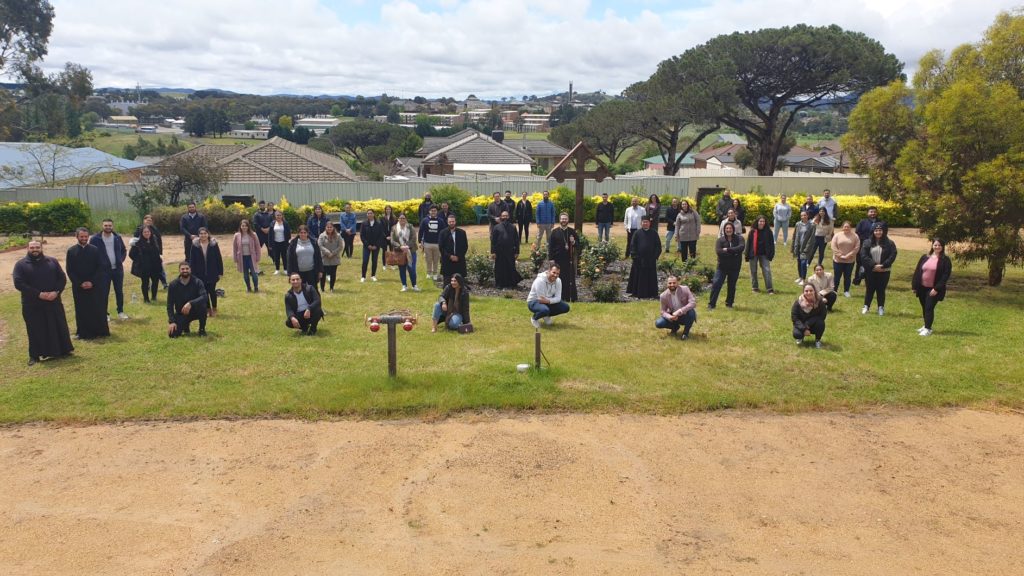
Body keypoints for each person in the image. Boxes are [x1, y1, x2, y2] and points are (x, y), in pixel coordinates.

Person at [13, 240, 73, 365]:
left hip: (53, 301)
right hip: (32, 304)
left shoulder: (52, 261)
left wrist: (56, 292)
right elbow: (19, 283)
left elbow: (61, 278)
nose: (35, 249)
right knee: (35, 329)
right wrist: (38, 294)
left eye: (37, 247)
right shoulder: (21, 264)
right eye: (32, 247)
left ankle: (63, 350)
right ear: (28, 248)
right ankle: (34, 356)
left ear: (41, 248)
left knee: (57, 326)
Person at [65, 227, 109, 340]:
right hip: (79, 287)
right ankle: (83, 333)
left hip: (95, 285)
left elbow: (100, 267)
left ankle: (100, 331)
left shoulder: (95, 250)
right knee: (81, 310)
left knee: (97, 308)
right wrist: (80, 283)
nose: (84, 238)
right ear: (77, 237)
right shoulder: (71, 251)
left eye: (86, 236)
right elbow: (70, 270)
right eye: (81, 237)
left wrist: (92, 282)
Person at [89, 218, 128, 321]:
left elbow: (124, 250)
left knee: (119, 291)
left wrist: (121, 260)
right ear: (102, 226)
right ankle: (105, 314)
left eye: (110, 225)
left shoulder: (117, 237)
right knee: (103, 293)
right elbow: (91, 254)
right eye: (106, 225)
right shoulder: (95, 239)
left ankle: (120, 312)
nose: (108, 227)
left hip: (117, 270)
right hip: (103, 271)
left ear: (112, 226)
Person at [911, 239, 952, 337]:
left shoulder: (945, 260)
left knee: (929, 307)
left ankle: (928, 329)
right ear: (932, 246)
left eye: (939, 245)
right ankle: (926, 325)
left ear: (942, 247)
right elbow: (917, 271)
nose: (937, 247)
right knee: (924, 307)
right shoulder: (925, 257)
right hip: (922, 287)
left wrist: (936, 289)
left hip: (933, 289)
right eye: (935, 245)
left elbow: (945, 276)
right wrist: (914, 285)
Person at [859, 223, 897, 316]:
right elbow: (864, 255)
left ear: (883, 231)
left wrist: (883, 265)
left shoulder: (890, 243)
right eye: (876, 230)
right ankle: (866, 306)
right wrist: (874, 265)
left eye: (880, 230)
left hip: (884, 271)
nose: (878, 232)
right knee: (869, 289)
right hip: (871, 270)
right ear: (873, 232)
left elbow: (892, 255)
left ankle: (881, 307)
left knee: (881, 290)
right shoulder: (867, 242)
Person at [707, 221, 743, 310]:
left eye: (730, 228)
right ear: (724, 230)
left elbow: (741, 248)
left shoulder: (739, 239)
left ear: (733, 229)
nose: (728, 230)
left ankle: (729, 304)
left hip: (735, 267)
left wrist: (727, 250)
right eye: (727, 228)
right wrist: (734, 253)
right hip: (722, 267)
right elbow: (719, 252)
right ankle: (711, 304)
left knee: (731, 285)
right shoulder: (720, 240)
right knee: (716, 284)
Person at [167, 261, 207, 337]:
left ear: (190, 270)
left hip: (196, 311)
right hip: (182, 312)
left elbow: (204, 296)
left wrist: (190, 303)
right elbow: (170, 304)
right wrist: (172, 321)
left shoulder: (197, 282)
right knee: (172, 335)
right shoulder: (173, 285)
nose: (185, 271)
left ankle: (202, 329)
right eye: (182, 269)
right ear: (179, 270)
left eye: (187, 269)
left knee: (203, 306)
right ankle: (185, 326)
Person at [189, 227, 224, 317]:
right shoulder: (195, 245)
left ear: (208, 234)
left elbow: (218, 258)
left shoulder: (213, 244)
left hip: (212, 272)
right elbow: (192, 260)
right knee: (204, 292)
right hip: (200, 273)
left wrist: (220, 272)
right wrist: (192, 273)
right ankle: (208, 309)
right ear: (198, 235)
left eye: (205, 233)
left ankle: (215, 308)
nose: (203, 235)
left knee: (212, 291)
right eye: (201, 234)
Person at [626, 215, 662, 299]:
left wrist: (655, 256)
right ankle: (636, 292)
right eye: (643, 222)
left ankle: (651, 293)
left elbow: (658, 246)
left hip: (650, 260)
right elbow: (632, 246)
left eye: (647, 222)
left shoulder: (654, 233)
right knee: (638, 276)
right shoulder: (637, 233)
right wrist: (635, 256)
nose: (645, 223)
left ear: (650, 223)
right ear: (641, 223)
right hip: (639, 260)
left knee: (650, 277)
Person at [527, 263, 570, 328]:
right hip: (534, 301)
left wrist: (549, 301)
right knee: (544, 310)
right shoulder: (540, 280)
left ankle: (546, 315)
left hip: (547, 300)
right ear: (549, 270)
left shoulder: (558, 281)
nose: (555, 275)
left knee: (565, 307)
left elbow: (558, 298)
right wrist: (551, 300)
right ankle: (534, 319)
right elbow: (540, 299)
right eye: (554, 272)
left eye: (557, 273)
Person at [548, 212, 579, 302]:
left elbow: (578, 244)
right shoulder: (554, 232)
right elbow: (550, 246)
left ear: (568, 220)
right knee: (558, 279)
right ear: (559, 220)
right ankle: (558, 297)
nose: (564, 220)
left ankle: (570, 297)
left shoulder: (572, 231)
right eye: (562, 219)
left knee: (569, 279)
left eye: (565, 219)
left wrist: (573, 242)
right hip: (557, 260)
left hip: (569, 260)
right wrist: (551, 259)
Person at [129, 225, 163, 303]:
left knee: (155, 281)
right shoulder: (137, 243)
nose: (147, 233)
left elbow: (157, 252)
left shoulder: (154, 240)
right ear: (141, 233)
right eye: (145, 232)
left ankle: (154, 297)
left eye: (148, 232)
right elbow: (131, 254)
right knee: (145, 283)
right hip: (144, 267)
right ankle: (146, 299)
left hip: (155, 266)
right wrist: (139, 261)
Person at [656, 275, 697, 340]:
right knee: (659, 323)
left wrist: (680, 310)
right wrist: (670, 317)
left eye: (674, 283)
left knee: (692, 312)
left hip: (685, 314)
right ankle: (675, 327)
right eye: (670, 283)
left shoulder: (685, 289)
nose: (672, 285)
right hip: (673, 316)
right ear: (667, 284)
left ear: (677, 283)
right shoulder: (663, 296)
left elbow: (693, 303)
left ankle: (685, 334)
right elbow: (663, 311)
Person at [853, 206, 887, 286]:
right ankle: (857, 279)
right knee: (860, 263)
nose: (873, 213)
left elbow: (884, 234)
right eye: (871, 212)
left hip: (876, 246)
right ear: (868, 213)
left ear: (877, 213)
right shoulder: (862, 222)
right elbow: (857, 233)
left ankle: (870, 280)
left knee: (873, 262)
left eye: (874, 212)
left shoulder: (882, 223)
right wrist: (867, 241)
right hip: (863, 246)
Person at [133, 214, 167, 288]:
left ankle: (164, 283)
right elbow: (135, 239)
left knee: (160, 269)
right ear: (144, 221)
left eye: (150, 220)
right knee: (146, 272)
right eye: (147, 220)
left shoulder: (154, 229)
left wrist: (160, 252)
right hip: (144, 255)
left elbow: (159, 241)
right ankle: (147, 285)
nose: (149, 222)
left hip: (155, 254)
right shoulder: (139, 229)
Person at [491, 210, 523, 289]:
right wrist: (493, 252)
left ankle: (511, 284)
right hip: (499, 252)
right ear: (501, 217)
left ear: (508, 217)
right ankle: (499, 284)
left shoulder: (513, 227)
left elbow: (516, 240)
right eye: (503, 216)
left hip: (510, 251)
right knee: (499, 268)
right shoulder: (496, 227)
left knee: (510, 267)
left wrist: (517, 252)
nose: (505, 217)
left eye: (506, 216)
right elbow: (493, 241)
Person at [287, 224, 323, 291]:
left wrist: (320, 271)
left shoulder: (314, 242)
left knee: (313, 291)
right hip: (298, 272)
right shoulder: (293, 244)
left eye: (304, 233)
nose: (303, 234)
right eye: (301, 233)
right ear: (298, 233)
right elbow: (289, 259)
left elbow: (318, 257)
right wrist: (290, 274)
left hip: (312, 272)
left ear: (307, 233)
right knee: (300, 291)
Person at [390, 213, 420, 292]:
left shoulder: (410, 226)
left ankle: (414, 285)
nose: (402, 220)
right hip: (399, 252)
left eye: (403, 218)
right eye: (400, 218)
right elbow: (392, 240)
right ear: (398, 219)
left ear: (406, 219)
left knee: (412, 269)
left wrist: (407, 246)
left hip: (411, 251)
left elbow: (414, 238)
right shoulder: (394, 228)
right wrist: (400, 247)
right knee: (402, 269)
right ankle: (404, 285)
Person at [745, 215, 775, 294]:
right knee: (753, 271)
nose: (762, 223)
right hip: (753, 254)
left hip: (764, 254)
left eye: (763, 221)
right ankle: (755, 288)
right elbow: (748, 243)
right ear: (757, 222)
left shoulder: (768, 232)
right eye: (760, 221)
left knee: (767, 271)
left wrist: (771, 254)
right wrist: (746, 254)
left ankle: (769, 289)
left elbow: (772, 244)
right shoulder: (752, 231)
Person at [792, 283, 828, 348]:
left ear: (814, 291)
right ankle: (800, 338)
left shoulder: (819, 302)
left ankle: (817, 340)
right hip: (801, 325)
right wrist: (804, 329)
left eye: (811, 290)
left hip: (814, 324)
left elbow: (822, 316)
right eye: (806, 291)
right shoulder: (798, 302)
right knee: (797, 334)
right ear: (803, 292)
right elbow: (795, 318)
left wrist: (808, 324)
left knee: (821, 323)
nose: (809, 293)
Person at [831, 220, 860, 297]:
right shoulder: (837, 235)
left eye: (848, 227)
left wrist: (848, 255)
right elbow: (833, 246)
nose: (846, 228)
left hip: (850, 261)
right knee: (837, 276)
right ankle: (835, 290)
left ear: (851, 228)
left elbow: (856, 248)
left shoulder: (855, 236)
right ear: (842, 227)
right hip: (838, 260)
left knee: (847, 276)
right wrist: (840, 255)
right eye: (845, 226)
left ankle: (846, 291)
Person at [439, 214, 468, 286]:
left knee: (460, 282)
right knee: (447, 283)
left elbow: (465, 246)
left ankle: (460, 296)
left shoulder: (462, 233)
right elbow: (441, 248)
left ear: (455, 222)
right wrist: (450, 256)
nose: (451, 223)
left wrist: (458, 256)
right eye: (450, 222)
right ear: (447, 222)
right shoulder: (442, 233)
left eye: (453, 221)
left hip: (459, 261)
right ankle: (447, 297)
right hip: (447, 261)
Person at [232, 219, 261, 293]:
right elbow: (235, 248)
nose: (244, 227)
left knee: (254, 273)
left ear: (248, 227)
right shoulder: (237, 235)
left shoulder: (253, 234)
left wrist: (258, 257)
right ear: (240, 227)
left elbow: (257, 246)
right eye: (242, 226)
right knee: (245, 274)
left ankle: (256, 287)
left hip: (251, 257)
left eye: (245, 226)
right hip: (242, 258)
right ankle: (248, 287)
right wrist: (235, 258)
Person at [360, 209, 386, 282]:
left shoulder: (378, 224)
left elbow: (381, 235)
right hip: (366, 246)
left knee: (374, 261)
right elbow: (362, 236)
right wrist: (367, 245)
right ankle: (363, 276)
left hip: (376, 246)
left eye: (371, 213)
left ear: (373, 214)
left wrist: (376, 245)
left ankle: (373, 275)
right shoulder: (364, 224)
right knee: (365, 261)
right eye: (368, 213)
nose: (369, 215)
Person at [791, 211, 816, 285]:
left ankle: (804, 279)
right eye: (802, 215)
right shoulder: (798, 224)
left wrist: (807, 248)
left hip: (806, 248)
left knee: (803, 262)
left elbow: (812, 238)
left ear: (807, 216)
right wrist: (793, 246)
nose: (803, 217)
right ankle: (800, 277)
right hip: (798, 246)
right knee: (799, 262)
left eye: (805, 215)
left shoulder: (812, 225)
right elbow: (795, 235)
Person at [419, 205, 443, 281]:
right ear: (429, 211)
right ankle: (429, 273)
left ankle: (435, 274)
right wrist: (420, 242)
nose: (433, 212)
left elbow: (444, 232)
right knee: (428, 259)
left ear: (437, 212)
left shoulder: (440, 221)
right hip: (427, 244)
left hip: (437, 244)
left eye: (435, 211)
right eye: (432, 211)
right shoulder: (425, 220)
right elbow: (421, 231)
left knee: (436, 260)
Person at [318, 221, 342, 292]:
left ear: (333, 228)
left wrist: (333, 253)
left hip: (334, 258)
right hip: (324, 258)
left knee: (333, 274)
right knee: (323, 274)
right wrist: (328, 253)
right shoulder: (322, 235)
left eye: (330, 227)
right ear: (325, 227)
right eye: (328, 227)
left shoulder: (338, 236)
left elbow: (340, 246)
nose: (329, 228)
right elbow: (320, 245)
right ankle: (322, 289)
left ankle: (332, 288)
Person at [268, 210, 291, 275]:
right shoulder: (272, 223)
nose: (279, 216)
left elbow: (288, 234)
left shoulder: (285, 223)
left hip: (284, 242)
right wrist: (270, 244)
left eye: (280, 215)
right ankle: (277, 269)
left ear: (282, 216)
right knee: (276, 257)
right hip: (275, 243)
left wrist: (289, 243)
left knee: (284, 257)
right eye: (277, 215)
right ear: (275, 216)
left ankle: (285, 269)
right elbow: (270, 235)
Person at [380, 205, 397, 270]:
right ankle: (384, 265)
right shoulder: (382, 218)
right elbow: (381, 229)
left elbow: (395, 228)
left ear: (391, 210)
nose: (388, 210)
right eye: (387, 209)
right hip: (384, 237)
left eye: (389, 209)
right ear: (385, 210)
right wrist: (385, 236)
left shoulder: (394, 218)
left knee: (391, 251)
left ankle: (392, 265)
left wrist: (391, 236)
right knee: (384, 251)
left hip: (391, 236)